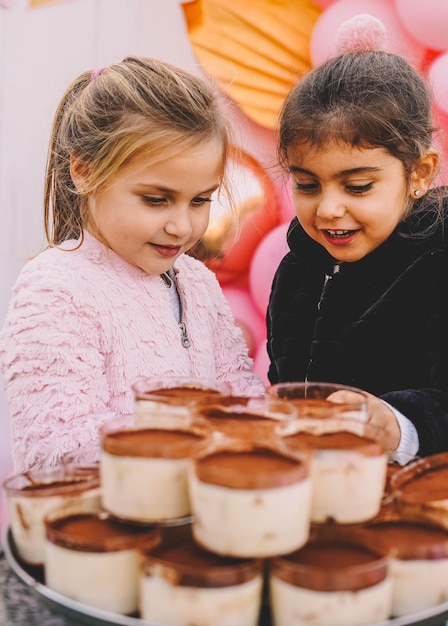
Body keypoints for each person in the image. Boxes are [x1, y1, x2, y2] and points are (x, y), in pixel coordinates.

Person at [0, 56, 265, 473]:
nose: (182, 226)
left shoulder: (196, 281)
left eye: (200, 201)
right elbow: (57, 450)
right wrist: (202, 448)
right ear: (84, 171)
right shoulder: (55, 288)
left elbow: (242, 397)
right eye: (156, 199)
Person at [266, 14, 448, 464]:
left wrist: (398, 424)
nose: (327, 209)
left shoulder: (437, 263)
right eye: (307, 185)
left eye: (357, 186)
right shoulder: (297, 271)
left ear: (419, 173)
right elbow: (281, 382)